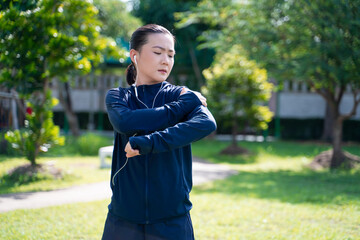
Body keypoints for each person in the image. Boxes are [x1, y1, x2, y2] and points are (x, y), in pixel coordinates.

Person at [102, 24, 216, 240]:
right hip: (123, 220)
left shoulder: (179, 94)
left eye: (171, 55)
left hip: (172, 221)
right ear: (135, 55)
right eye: (157, 52)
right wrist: (183, 105)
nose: (166, 60)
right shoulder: (118, 97)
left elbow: (206, 123)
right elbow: (125, 122)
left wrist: (149, 142)